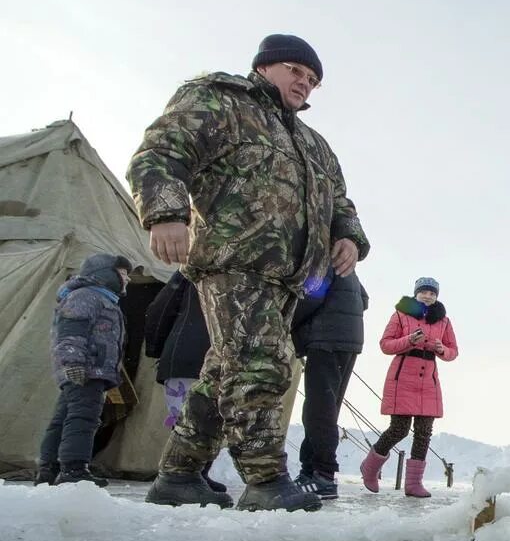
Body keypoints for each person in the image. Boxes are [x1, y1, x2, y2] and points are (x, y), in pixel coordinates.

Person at [128, 33, 369, 512]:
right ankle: (266, 482)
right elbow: (162, 152)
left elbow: (339, 201)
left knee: (221, 375)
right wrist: (166, 213)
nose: (305, 83)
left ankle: (178, 475)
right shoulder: (221, 101)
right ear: (264, 67)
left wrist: (349, 236)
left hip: (289, 277)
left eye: (313, 80)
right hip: (233, 260)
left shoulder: (313, 144)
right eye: (296, 72)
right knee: (263, 366)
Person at [36, 254, 133, 487]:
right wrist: (74, 363)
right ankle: (74, 469)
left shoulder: (101, 299)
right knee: (84, 418)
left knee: (64, 417)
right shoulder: (86, 297)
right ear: (105, 273)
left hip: (89, 368)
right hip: (87, 369)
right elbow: (71, 331)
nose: (127, 279)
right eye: (122, 273)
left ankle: (49, 469)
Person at [360, 278, 458, 498]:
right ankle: (369, 468)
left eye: (432, 293)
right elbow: (386, 344)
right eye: (423, 292)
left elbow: (453, 351)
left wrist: (442, 349)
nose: (428, 296)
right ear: (415, 294)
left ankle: (414, 484)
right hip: (402, 377)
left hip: (428, 380)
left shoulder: (444, 321)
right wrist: (409, 340)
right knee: (399, 429)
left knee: (424, 432)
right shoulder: (400, 315)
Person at [143, 270, 230, 497]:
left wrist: (157, 347)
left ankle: (194, 474)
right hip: (212, 354)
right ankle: (184, 475)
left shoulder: (189, 271)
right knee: (208, 418)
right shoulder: (247, 269)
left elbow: (159, 310)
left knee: (190, 419)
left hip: (184, 354)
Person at [291, 269, 368, 499]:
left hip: (327, 340)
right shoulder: (348, 267)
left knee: (318, 411)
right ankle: (309, 472)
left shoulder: (324, 263)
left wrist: (285, 320)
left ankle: (323, 476)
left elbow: (310, 298)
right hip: (346, 341)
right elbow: (363, 299)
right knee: (325, 408)